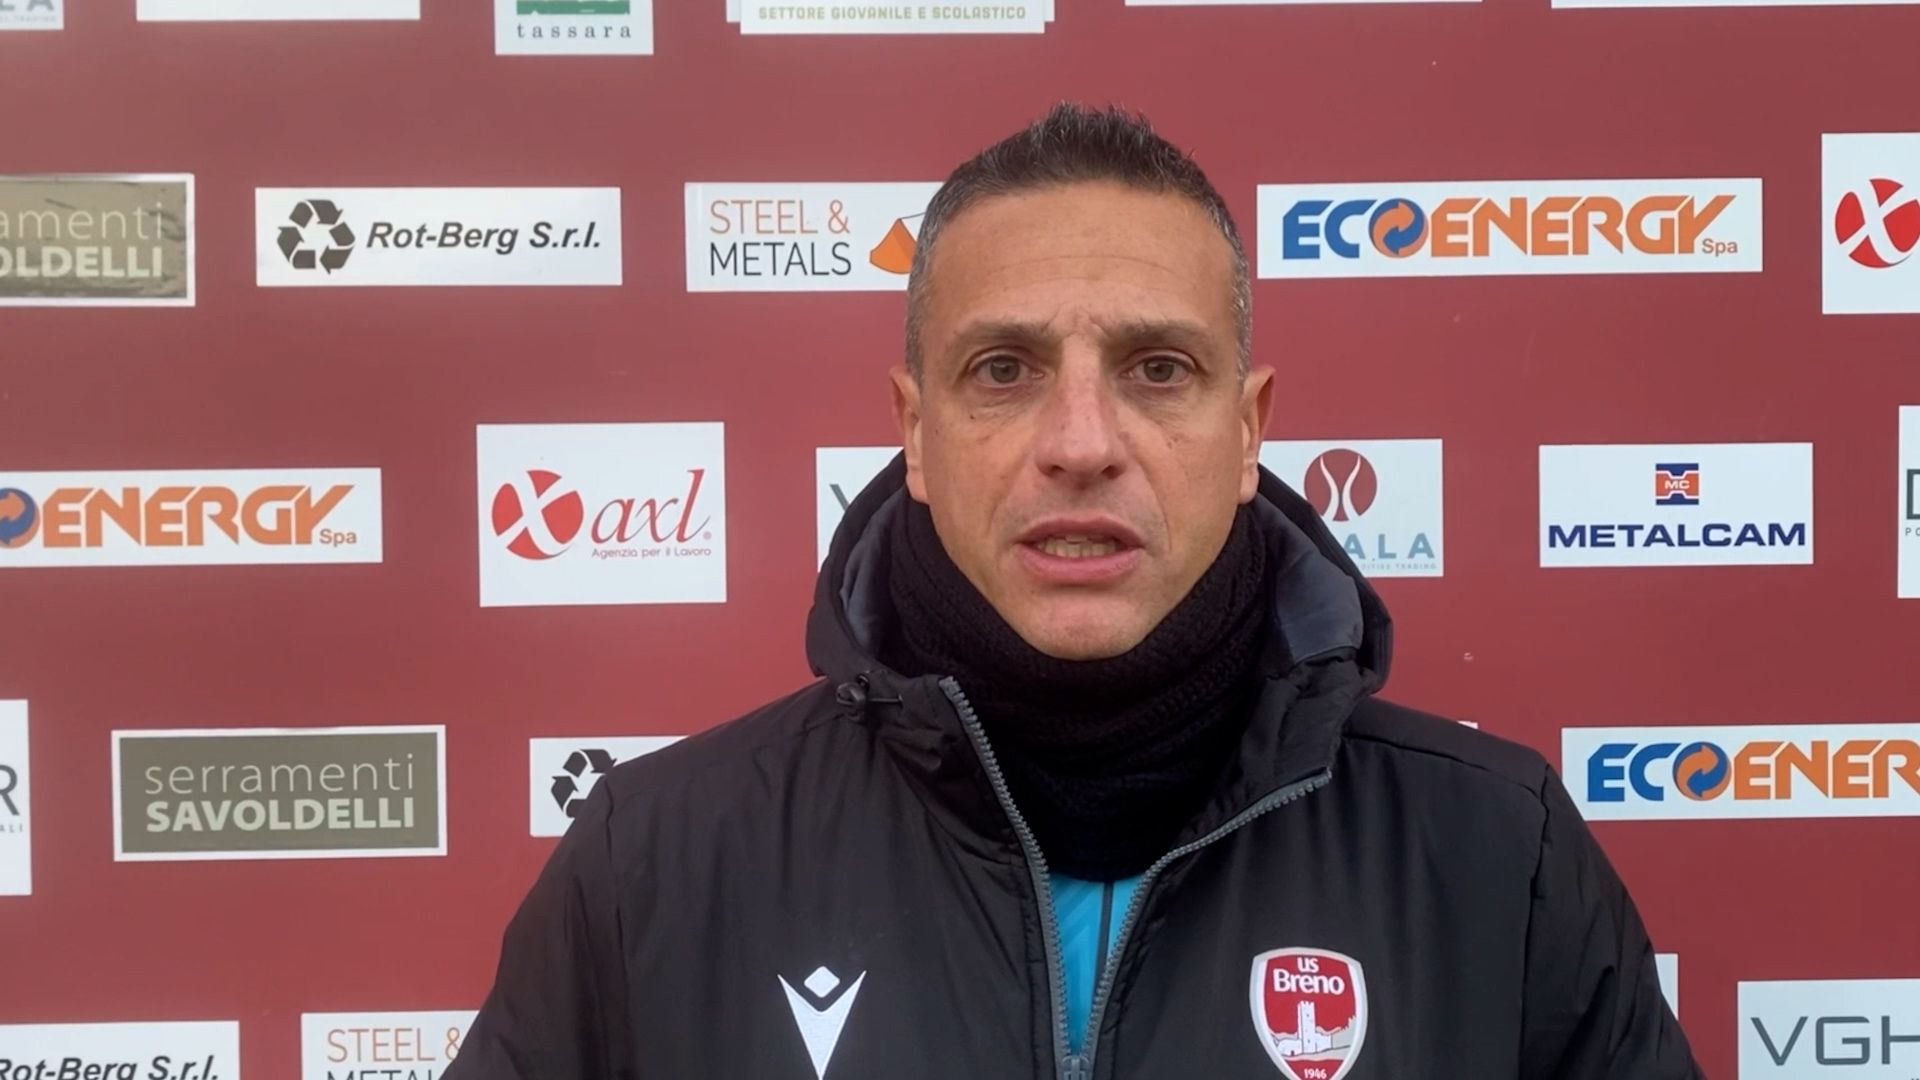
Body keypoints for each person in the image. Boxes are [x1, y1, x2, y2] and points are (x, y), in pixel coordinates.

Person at [447, 103, 1703, 1080]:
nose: (1082, 442)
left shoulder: (1496, 858)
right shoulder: (656, 866)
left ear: (1249, 429)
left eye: (1158, 368)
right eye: (1005, 369)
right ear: (917, 431)